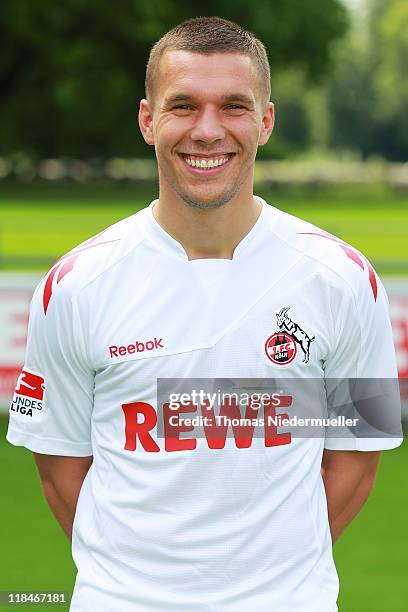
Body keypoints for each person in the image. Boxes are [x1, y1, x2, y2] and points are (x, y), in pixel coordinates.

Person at [7, 16, 403, 612]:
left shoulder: (346, 279)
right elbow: (60, 465)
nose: (208, 130)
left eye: (234, 107)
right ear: (147, 120)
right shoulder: (75, 284)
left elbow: (356, 457)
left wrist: (268, 582)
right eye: (184, 106)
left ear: (266, 121)